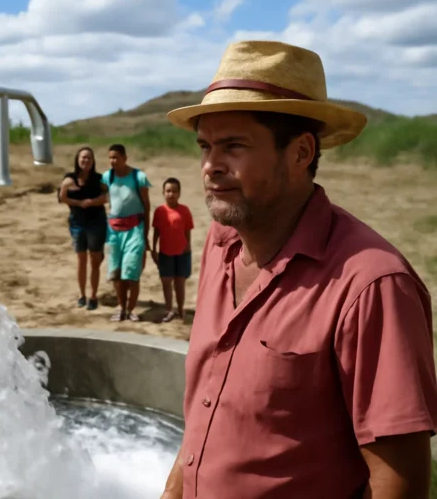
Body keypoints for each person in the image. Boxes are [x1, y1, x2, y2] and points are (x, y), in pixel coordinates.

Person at [160, 40, 437, 498]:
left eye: (233, 146)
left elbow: (399, 483)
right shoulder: (221, 243)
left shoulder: (371, 286)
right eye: (205, 146)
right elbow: (207, 415)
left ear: (301, 153)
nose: (210, 166)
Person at [101, 143, 151, 322]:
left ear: (124, 158)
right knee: (117, 272)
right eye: (110, 158)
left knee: (131, 272)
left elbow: (146, 205)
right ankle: (121, 307)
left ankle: (131, 309)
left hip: (135, 229)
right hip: (113, 231)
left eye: (116, 157)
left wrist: (146, 234)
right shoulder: (107, 177)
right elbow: (102, 197)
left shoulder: (139, 177)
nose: (113, 161)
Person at [58, 146, 108, 310]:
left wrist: (91, 202)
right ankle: (82, 295)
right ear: (77, 160)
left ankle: (93, 295)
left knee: (95, 259)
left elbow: (107, 197)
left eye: (89, 158)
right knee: (81, 260)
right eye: (83, 158)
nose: (86, 161)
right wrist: (78, 203)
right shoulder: (70, 178)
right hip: (77, 223)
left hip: (96, 222)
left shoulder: (99, 179)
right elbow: (62, 197)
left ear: (93, 161)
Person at [151, 177, 194, 323]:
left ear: (179, 193)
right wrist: (154, 249)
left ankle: (181, 309)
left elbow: (187, 230)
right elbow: (156, 232)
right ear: (163, 192)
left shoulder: (185, 210)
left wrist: (188, 246)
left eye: (175, 191)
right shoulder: (160, 211)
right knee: (166, 282)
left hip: (182, 253)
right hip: (165, 253)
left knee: (180, 283)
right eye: (168, 191)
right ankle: (169, 309)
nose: (171, 194)